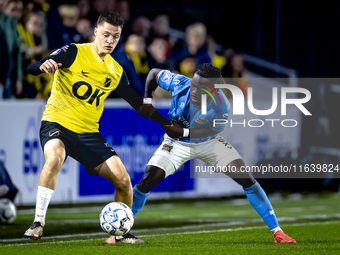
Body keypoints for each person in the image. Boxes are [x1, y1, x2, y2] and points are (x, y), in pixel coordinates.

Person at [24, 11, 170, 243]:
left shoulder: (115, 70)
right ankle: (38, 223)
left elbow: (136, 102)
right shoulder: (73, 51)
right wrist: (44, 64)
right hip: (57, 123)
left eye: (116, 36)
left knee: (123, 182)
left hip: (88, 133)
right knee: (54, 159)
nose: (110, 40)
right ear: (95, 33)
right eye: (106, 35)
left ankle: (118, 236)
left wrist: (166, 122)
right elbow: (32, 66)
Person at [129, 63, 297, 244]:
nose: (194, 90)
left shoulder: (222, 105)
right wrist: (147, 100)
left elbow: (209, 131)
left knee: (247, 179)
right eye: (194, 84)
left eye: (201, 88)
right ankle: (120, 230)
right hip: (176, 143)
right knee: (147, 180)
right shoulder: (180, 83)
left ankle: (278, 232)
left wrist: (183, 132)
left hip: (209, 142)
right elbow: (154, 73)